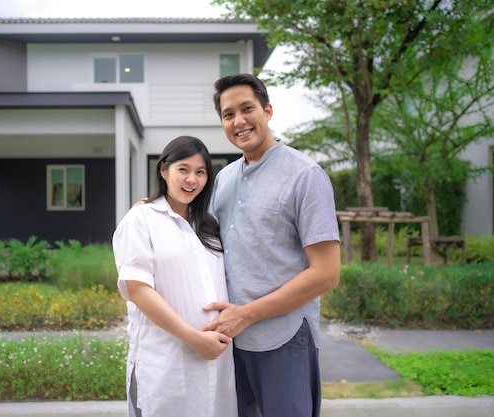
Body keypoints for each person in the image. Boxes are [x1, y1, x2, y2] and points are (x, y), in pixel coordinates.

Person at [201, 74, 341, 417]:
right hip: (230, 342)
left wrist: (246, 315)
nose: (239, 121)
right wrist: (155, 207)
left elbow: (326, 274)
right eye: (228, 114)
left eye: (247, 109)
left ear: (268, 110)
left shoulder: (305, 175)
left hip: (285, 337)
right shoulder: (224, 178)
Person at [112, 135, 238, 417]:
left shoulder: (208, 225)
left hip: (217, 363)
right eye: (183, 169)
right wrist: (194, 338)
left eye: (200, 172)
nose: (191, 179)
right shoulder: (141, 219)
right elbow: (138, 290)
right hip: (164, 363)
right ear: (163, 170)